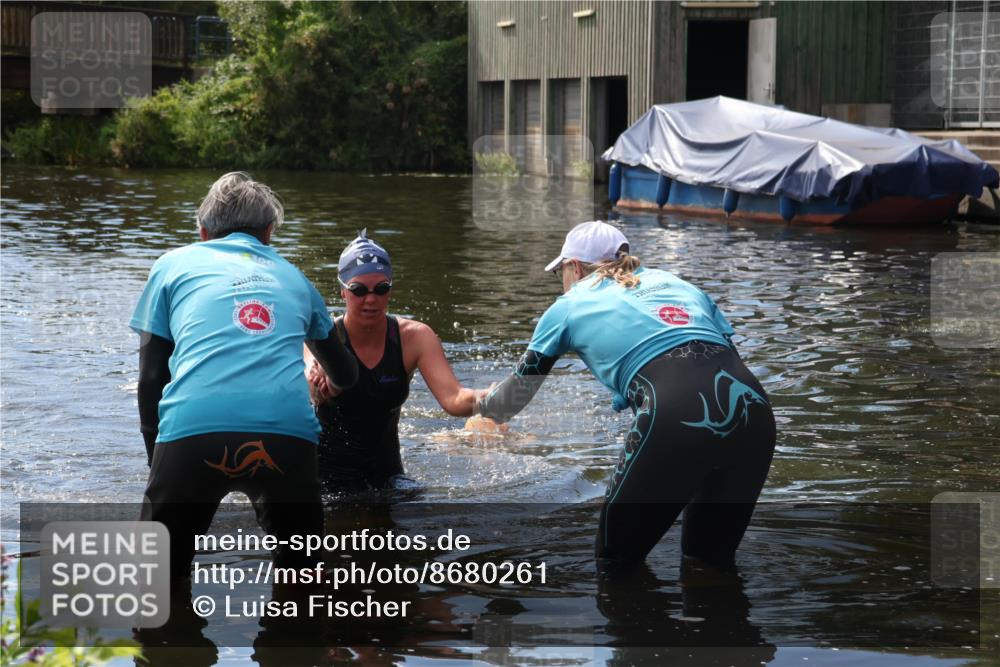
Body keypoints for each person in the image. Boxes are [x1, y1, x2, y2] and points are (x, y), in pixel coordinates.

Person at [475, 221, 776, 568]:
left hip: (674, 415)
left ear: (574, 267)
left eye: (560, 271)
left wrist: (477, 406)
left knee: (616, 562)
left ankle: (633, 621)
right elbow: (718, 356)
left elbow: (509, 402)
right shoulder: (679, 284)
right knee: (709, 561)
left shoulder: (569, 305)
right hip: (754, 412)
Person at [131, 172, 358, 576]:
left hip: (193, 431)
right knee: (302, 576)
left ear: (203, 231)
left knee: (158, 580)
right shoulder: (296, 278)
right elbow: (345, 372)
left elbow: (151, 379)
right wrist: (331, 384)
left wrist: (161, 465)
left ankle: (164, 636)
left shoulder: (170, 265)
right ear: (269, 232)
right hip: (286, 436)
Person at [305, 230, 480, 494]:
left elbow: (454, 399)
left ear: (390, 290)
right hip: (325, 480)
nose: (371, 299)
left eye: (381, 289)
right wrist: (319, 387)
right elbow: (310, 383)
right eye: (359, 290)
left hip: (388, 477)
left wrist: (494, 397)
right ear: (343, 291)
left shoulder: (415, 337)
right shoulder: (321, 337)